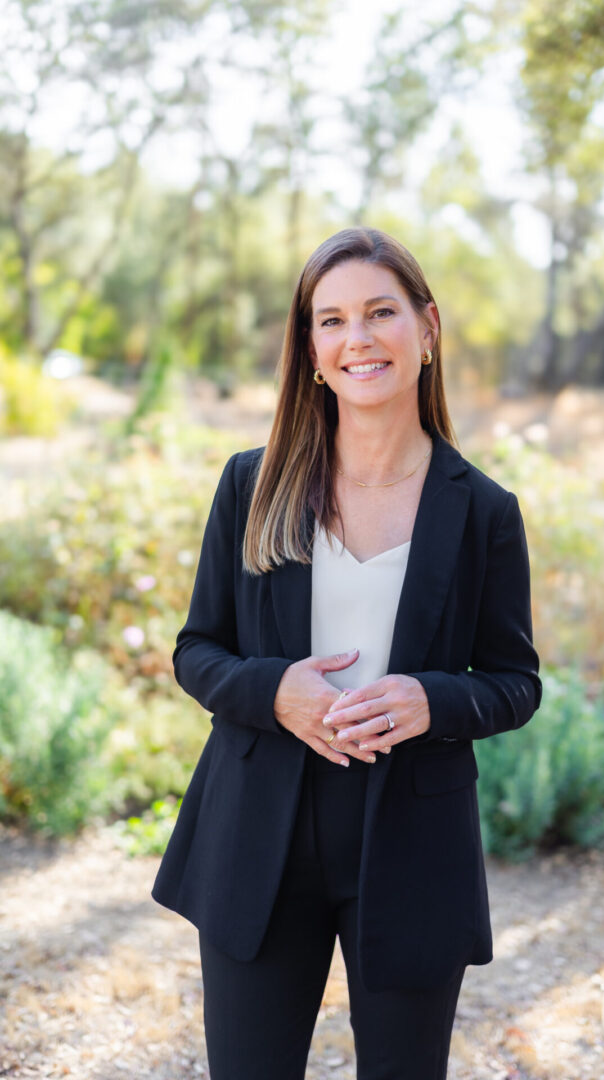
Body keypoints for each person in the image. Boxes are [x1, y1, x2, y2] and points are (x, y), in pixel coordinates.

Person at [151, 226, 542, 1080]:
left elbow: (516, 683)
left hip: (412, 842)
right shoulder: (253, 484)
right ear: (312, 351)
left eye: (380, 313)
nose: (357, 338)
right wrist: (274, 690)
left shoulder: (482, 511)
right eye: (331, 321)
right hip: (259, 837)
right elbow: (195, 651)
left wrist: (433, 701)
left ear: (428, 329)